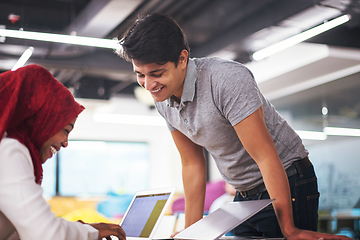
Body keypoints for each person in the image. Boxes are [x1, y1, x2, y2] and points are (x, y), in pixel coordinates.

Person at [118, 13, 351, 239]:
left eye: (156, 74)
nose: (148, 85)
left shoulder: (226, 80)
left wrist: (289, 229)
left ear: (182, 59)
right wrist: (191, 231)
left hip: (288, 179)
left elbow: (266, 156)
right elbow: (192, 164)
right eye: (140, 75)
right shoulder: (163, 98)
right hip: (243, 192)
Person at [0, 65, 126, 240]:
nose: (65, 143)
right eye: (66, 130)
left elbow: (20, 232)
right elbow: (46, 234)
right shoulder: (9, 150)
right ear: (42, 119)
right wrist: (90, 232)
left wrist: (83, 230)